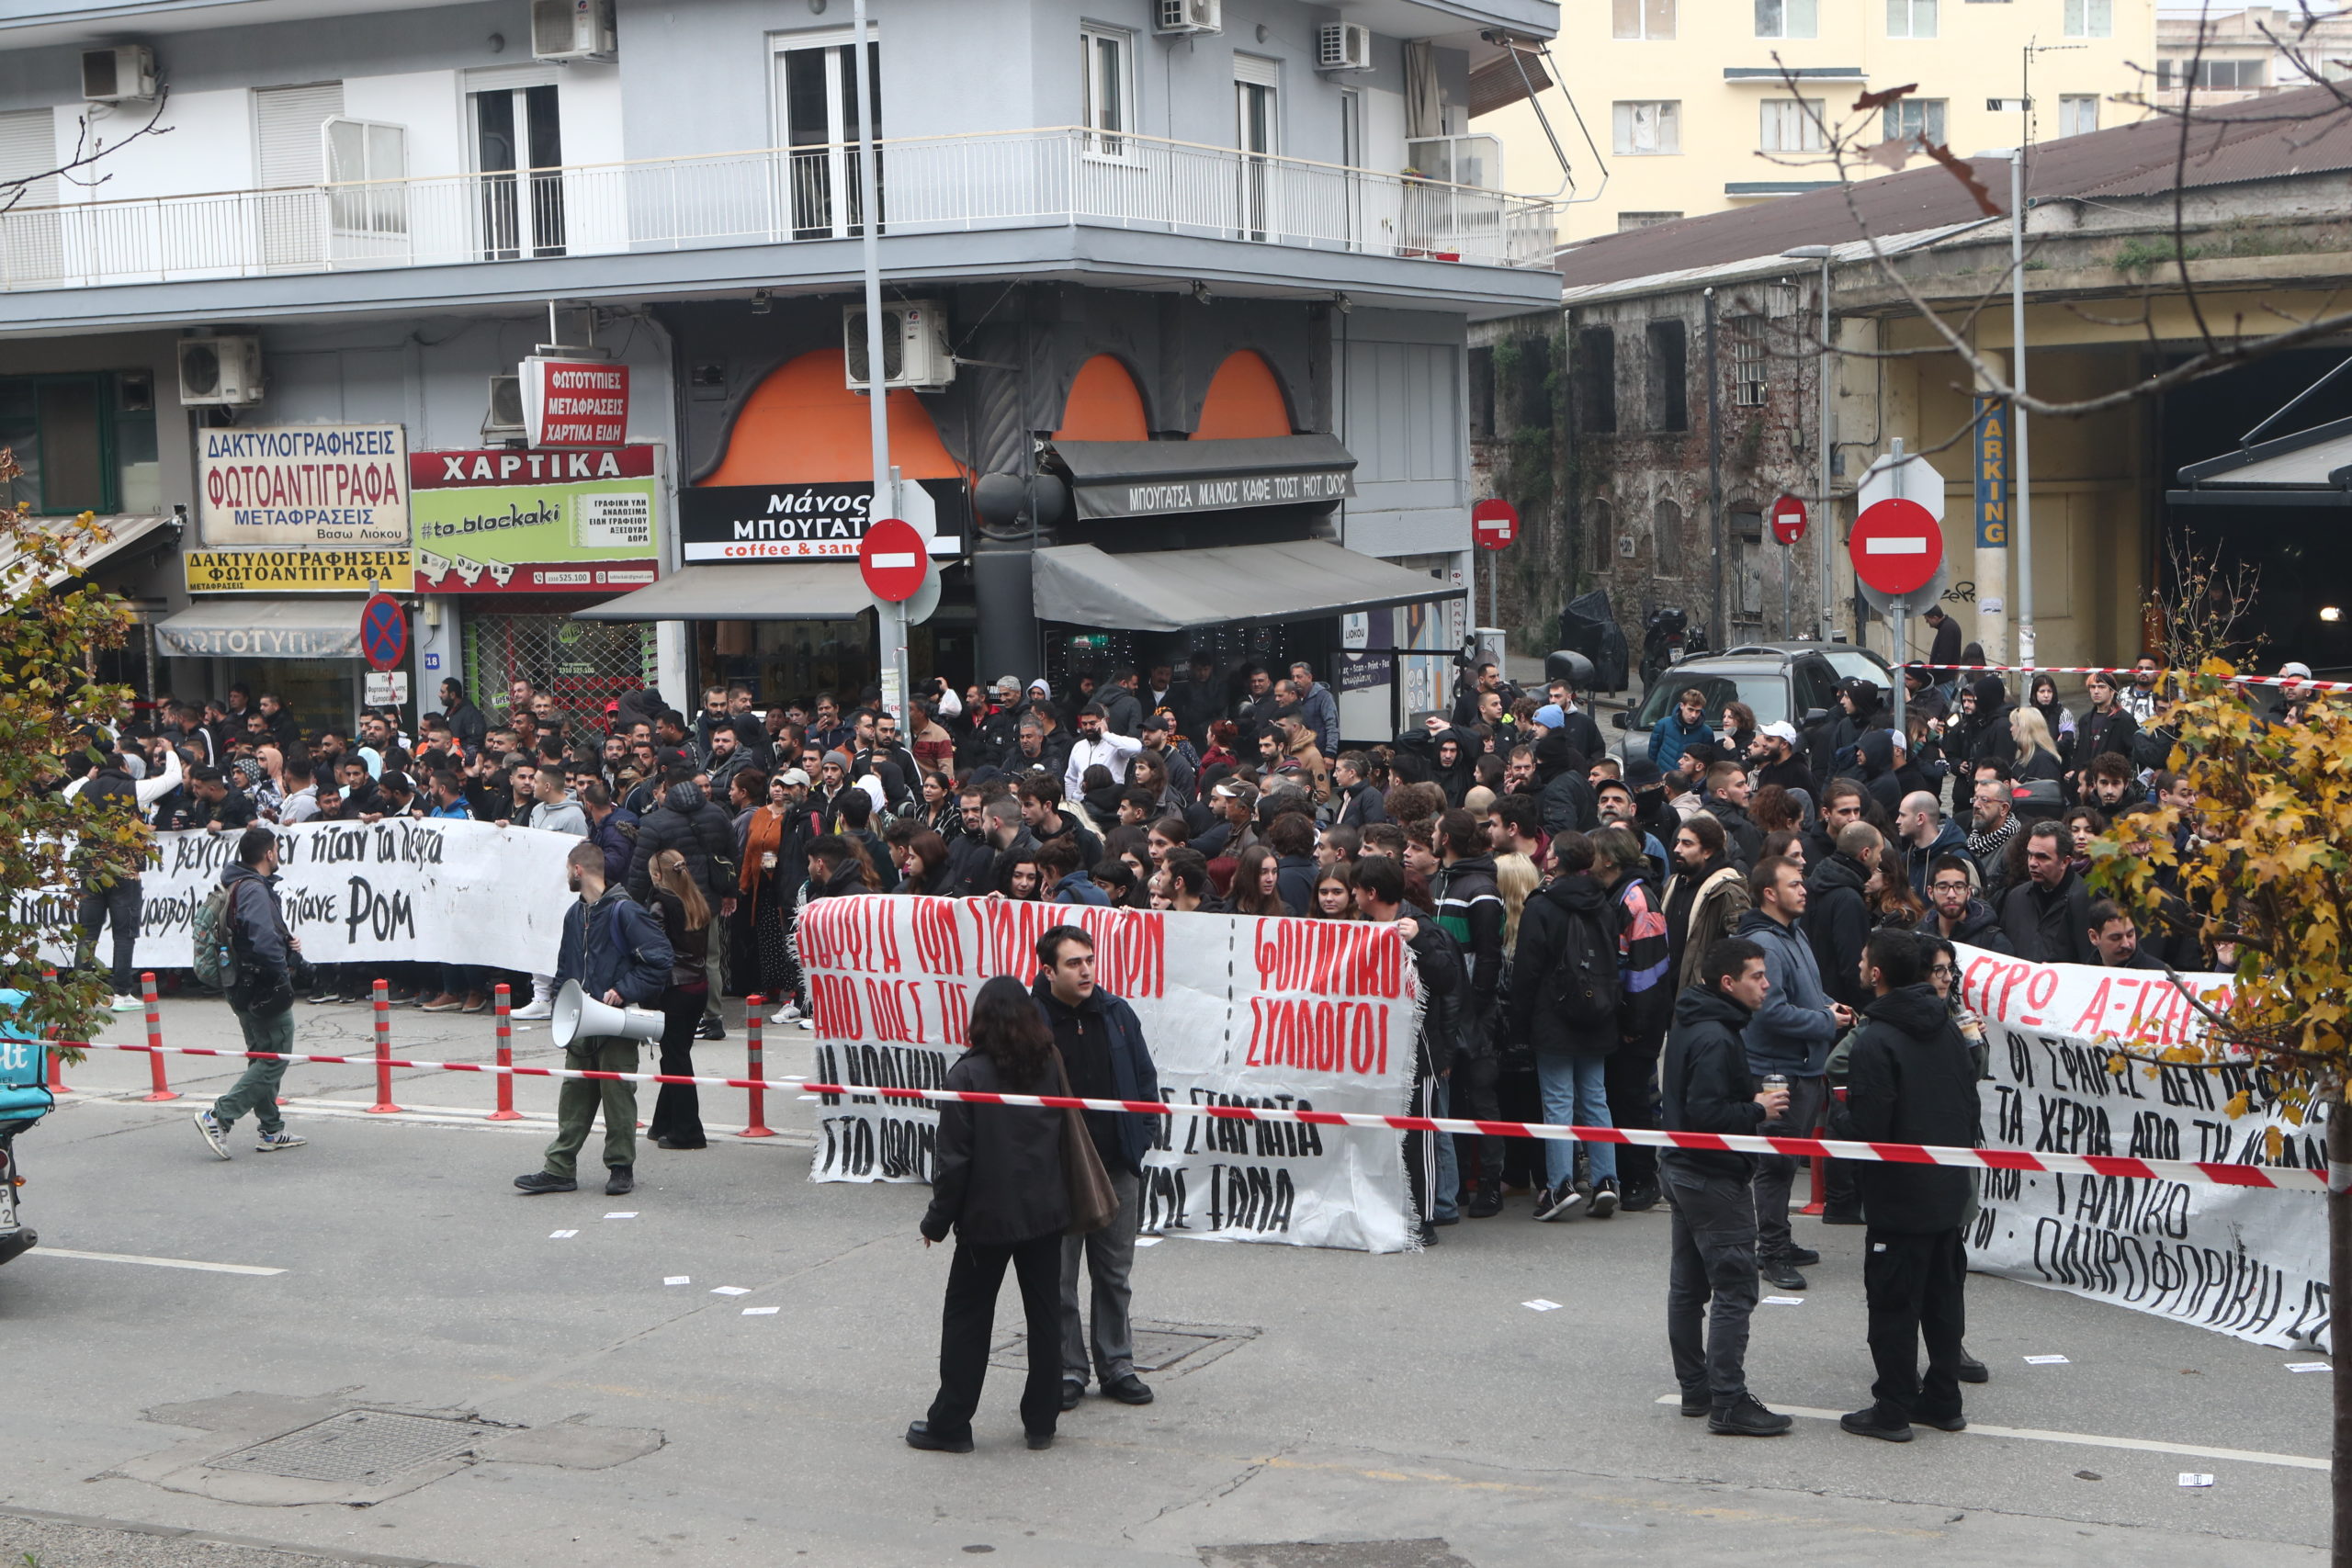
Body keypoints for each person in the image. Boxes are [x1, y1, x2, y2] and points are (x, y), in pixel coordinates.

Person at [909, 974, 1077, 1454]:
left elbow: (954, 1162)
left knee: (967, 1318)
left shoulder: (968, 1075)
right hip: (1045, 1212)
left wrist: (936, 1222)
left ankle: (952, 1422)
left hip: (987, 1219)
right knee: (1045, 1316)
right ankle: (1042, 1421)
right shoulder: (1047, 1063)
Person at [1833, 929, 1981, 1442]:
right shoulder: (1946, 1028)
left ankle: (1892, 1407)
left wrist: (1839, 1111)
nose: (1857, 963)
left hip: (1899, 1197)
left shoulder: (1876, 1039)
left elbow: (1871, 1128)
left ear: (1877, 974)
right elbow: (1969, 1104)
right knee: (1943, 1298)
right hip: (1947, 1189)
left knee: (1894, 1304)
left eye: (1862, 957)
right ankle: (1943, 1397)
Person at [1660, 936, 1793, 1436]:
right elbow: (1707, 1114)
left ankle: (1696, 1390)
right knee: (1734, 1288)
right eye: (1757, 976)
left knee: (1688, 1288)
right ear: (1728, 983)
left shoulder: (1697, 1021)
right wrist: (1759, 1108)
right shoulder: (1716, 1035)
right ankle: (1727, 1401)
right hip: (1710, 1176)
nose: (1766, 984)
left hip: (1681, 1169)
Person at [1031, 926, 1161, 1413]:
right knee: (1059, 1278)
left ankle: (1117, 1365)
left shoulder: (1117, 1013)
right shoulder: (1033, 1019)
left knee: (1114, 1273)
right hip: (1059, 1171)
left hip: (1117, 1165)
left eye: (1089, 959)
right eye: (1072, 963)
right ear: (1048, 971)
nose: (1086, 969)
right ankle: (1068, 1370)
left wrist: (1140, 1139)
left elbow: (1145, 1081)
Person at [515, 842, 673, 1198]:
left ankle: (620, 1167)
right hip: (582, 1021)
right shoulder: (576, 914)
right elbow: (565, 967)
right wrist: (561, 1006)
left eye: (567, 870)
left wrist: (623, 989)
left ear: (578, 870)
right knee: (574, 1095)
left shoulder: (625, 911)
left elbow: (661, 958)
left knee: (617, 1094)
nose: (566, 876)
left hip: (613, 1022)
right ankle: (559, 1168)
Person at [1736, 856, 1851, 1291]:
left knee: (1783, 1162)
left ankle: (1777, 1237)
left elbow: (1806, 990)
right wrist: (1827, 1022)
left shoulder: (1793, 934)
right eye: (1795, 884)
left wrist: (1829, 1005)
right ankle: (1773, 1251)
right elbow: (1771, 1011)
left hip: (1802, 1066)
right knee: (1776, 1165)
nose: (1804, 890)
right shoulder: (1765, 943)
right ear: (1770, 893)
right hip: (1776, 1072)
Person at [1509, 831, 1622, 1222]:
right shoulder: (1604, 904)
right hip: (1599, 1012)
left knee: (1557, 1099)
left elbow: (1527, 970)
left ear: (1556, 862)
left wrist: (1518, 1024)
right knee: (1595, 1097)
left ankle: (1560, 1184)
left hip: (1553, 1014)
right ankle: (1607, 1180)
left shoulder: (1541, 905)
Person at [191, 827, 311, 1158]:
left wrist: (286, 943)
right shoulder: (254, 890)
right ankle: (218, 1116)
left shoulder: (238, 882)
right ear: (268, 854)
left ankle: (271, 1130)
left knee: (263, 1056)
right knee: (274, 1058)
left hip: (241, 982)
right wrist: (282, 967)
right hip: (262, 985)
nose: (277, 854)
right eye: (275, 849)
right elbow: (259, 938)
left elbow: (253, 932)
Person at [69, 739, 181, 1011]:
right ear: (123, 767)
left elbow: (65, 796)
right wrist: (170, 750)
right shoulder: (131, 788)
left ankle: (79, 992)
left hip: (91, 870)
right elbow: (174, 777)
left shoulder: (84, 790)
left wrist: (88, 776)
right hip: (123, 870)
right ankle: (121, 993)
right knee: (124, 932)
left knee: (88, 932)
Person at [644, 849, 711, 1152]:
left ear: (658, 876)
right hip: (697, 985)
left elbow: (655, 950)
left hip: (675, 988)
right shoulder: (695, 898)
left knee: (676, 1058)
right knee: (676, 1054)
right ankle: (664, 1122)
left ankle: (688, 1130)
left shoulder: (661, 903)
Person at [1997, 822, 2097, 964]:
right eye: (2030, 855)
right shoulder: (2016, 898)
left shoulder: (2088, 901)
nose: (2032, 863)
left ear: (2065, 862)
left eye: (2042, 857)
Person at [1925, 855, 2011, 953]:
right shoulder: (1919, 938)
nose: (1951, 894)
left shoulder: (1993, 942)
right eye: (1943, 887)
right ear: (1930, 892)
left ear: (1968, 892)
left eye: (1959, 887)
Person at [2086, 897, 2165, 969]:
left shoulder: (2159, 973)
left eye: (2130, 935)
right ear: (2094, 937)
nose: (2126, 944)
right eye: (2116, 938)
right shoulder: (2083, 976)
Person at [1650, 688, 1713, 773]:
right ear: (1682, 706)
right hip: (1663, 777)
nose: (1693, 715)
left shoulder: (1706, 732)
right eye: (1690, 709)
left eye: (1698, 711)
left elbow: (1706, 762)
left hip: (1688, 781)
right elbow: (1652, 754)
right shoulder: (1663, 725)